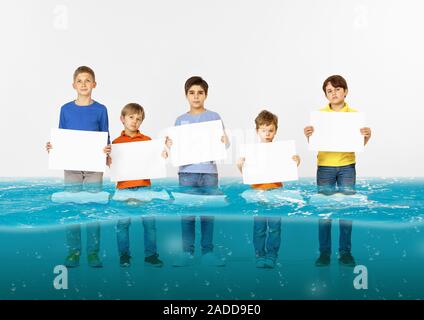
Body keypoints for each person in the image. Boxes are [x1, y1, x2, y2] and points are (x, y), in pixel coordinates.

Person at [303, 75, 372, 267]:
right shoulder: (319, 116)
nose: (333, 93)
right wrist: (309, 136)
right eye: (329, 91)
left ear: (345, 91)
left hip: (347, 166)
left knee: (346, 210)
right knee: (325, 211)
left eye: (337, 89)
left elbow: (359, 144)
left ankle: (345, 252)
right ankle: (324, 253)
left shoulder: (355, 115)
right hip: (325, 166)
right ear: (326, 95)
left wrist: (367, 136)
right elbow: (316, 143)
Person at [46, 66, 110, 268]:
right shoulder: (66, 109)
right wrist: (53, 147)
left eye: (87, 80)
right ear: (74, 85)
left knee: (93, 207)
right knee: (72, 206)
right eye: (80, 81)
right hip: (72, 166)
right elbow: (62, 136)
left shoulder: (101, 109)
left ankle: (93, 252)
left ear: (94, 84)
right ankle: (74, 250)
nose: (83, 84)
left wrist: (107, 151)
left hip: (93, 167)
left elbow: (105, 136)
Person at [169, 76, 230, 267]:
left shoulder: (214, 117)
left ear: (206, 95)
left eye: (200, 93)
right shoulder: (180, 120)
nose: (196, 97)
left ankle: (207, 252)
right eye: (192, 93)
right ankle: (187, 252)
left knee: (207, 214)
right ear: (186, 95)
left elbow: (225, 143)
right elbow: (175, 147)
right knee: (187, 214)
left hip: (209, 172)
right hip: (187, 173)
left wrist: (223, 142)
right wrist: (170, 145)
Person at [237, 110, 300, 268]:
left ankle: (272, 255)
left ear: (275, 131)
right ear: (257, 131)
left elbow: (289, 169)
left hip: (276, 192)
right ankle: (259, 255)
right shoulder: (251, 152)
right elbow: (247, 175)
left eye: (270, 130)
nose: (267, 134)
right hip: (257, 193)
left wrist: (295, 162)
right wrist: (240, 165)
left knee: (274, 227)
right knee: (259, 228)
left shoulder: (281, 151)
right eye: (263, 130)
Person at [109, 103, 167, 268]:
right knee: (122, 225)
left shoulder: (148, 141)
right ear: (122, 119)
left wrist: (162, 153)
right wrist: (108, 159)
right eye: (131, 117)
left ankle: (151, 255)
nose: (135, 121)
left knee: (149, 224)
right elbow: (113, 166)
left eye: (138, 119)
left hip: (143, 186)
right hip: (123, 188)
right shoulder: (115, 143)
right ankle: (124, 256)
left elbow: (155, 161)